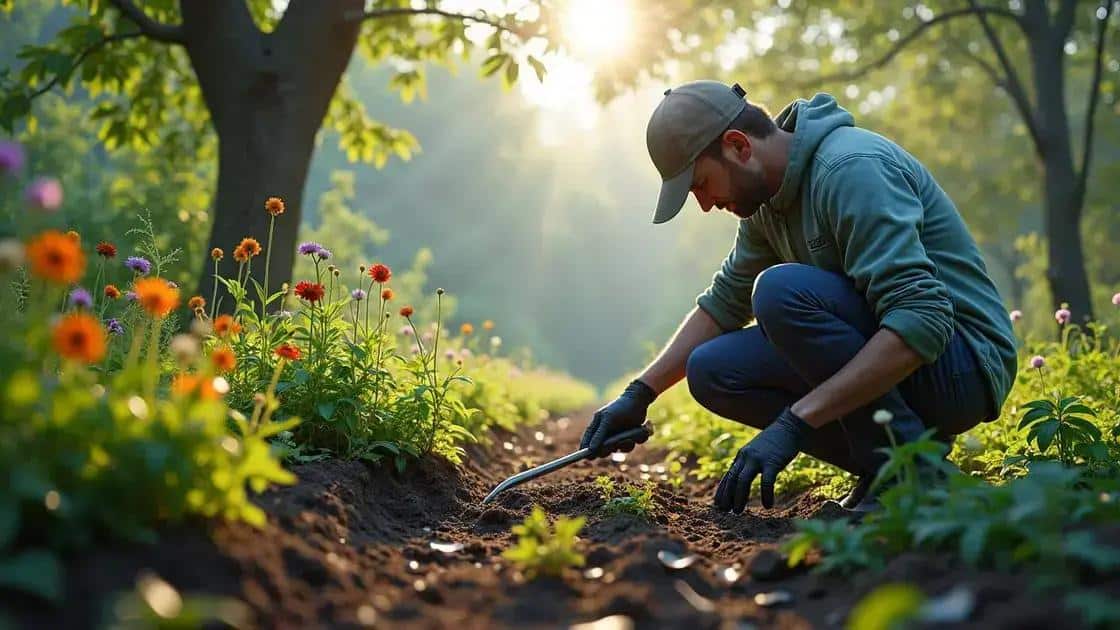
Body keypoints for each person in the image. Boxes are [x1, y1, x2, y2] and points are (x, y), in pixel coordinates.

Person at [579, 80, 1017, 514]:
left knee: (779, 291)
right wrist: (640, 393)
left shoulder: (850, 169)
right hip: (913, 361)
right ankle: (900, 466)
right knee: (713, 370)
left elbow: (923, 317)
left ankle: (910, 475)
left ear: (737, 146)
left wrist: (795, 423)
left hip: (963, 365)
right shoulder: (766, 202)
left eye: (701, 185)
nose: (706, 204)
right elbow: (724, 302)